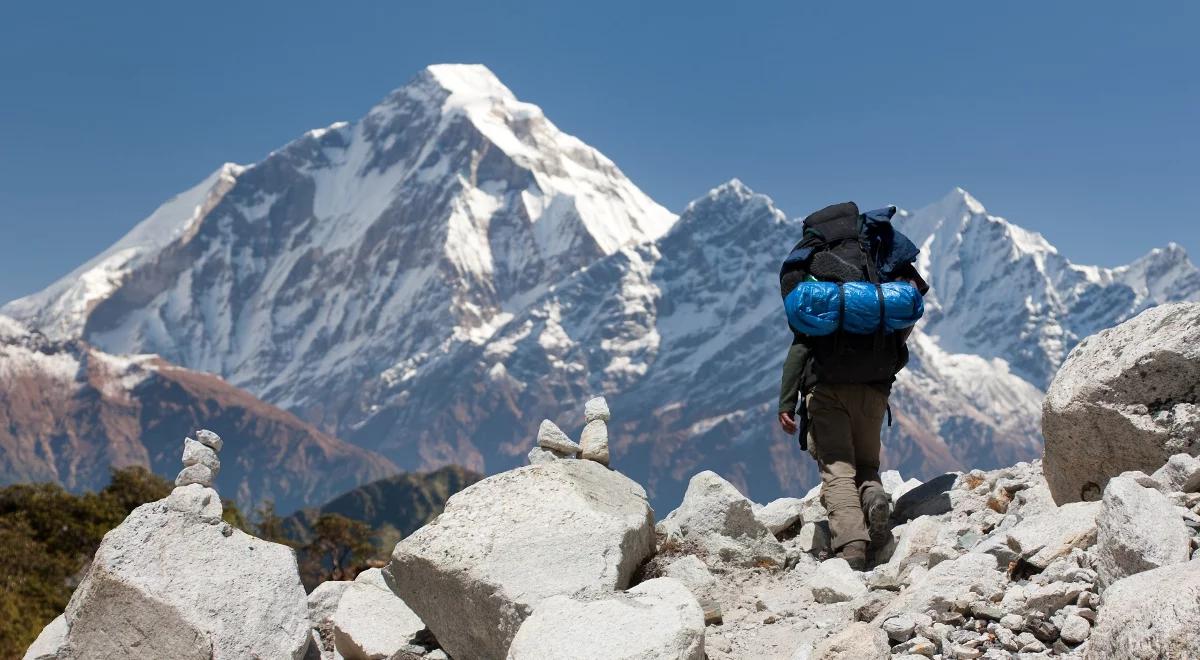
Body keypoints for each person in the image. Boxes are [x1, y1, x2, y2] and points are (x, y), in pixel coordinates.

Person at [777, 202, 928, 570]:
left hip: (827, 390)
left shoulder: (819, 280)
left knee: (837, 469)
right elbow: (901, 334)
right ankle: (874, 497)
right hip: (874, 389)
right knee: (866, 464)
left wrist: (786, 399)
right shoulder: (876, 272)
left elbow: (801, 346)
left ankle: (852, 548)